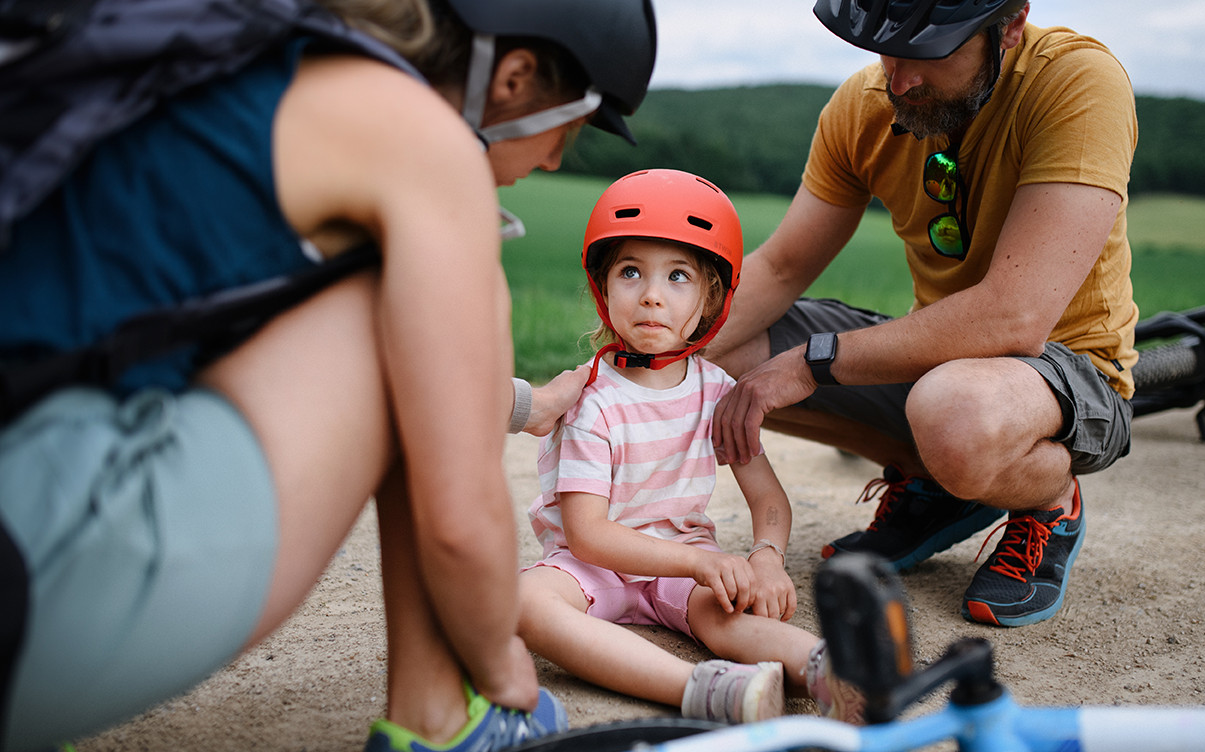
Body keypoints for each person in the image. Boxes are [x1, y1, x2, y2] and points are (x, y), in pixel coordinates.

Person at [0, 0, 655, 750]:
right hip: (38, 585)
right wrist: (502, 661)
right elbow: (457, 526)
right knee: (405, 302)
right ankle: (445, 719)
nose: (552, 162)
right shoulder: (420, 141)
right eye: (566, 132)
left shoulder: (246, 53)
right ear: (513, 78)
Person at [707, 0, 1138, 628]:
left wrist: (815, 360)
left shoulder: (1077, 82)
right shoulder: (863, 106)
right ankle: (937, 482)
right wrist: (627, 360)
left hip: (1067, 369)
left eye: (929, 51)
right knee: (718, 348)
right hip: (942, 371)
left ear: (1009, 24)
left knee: (954, 416)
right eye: (886, 48)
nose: (899, 78)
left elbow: (1014, 318)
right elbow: (779, 268)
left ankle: (1049, 498)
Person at [516, 169, 862, 726]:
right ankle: (704, 690)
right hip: (592, 567)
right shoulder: (588, 398)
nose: (652, 295)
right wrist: (701, 560)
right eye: (631, 272)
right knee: (528, 603)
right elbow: (588, 533)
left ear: (709, 300)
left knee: (727, 609)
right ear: (603, 287)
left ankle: (836, 673)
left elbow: (768, 500)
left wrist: (766, 557)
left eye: (678, 276)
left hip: (684, 572)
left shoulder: (718, 392)